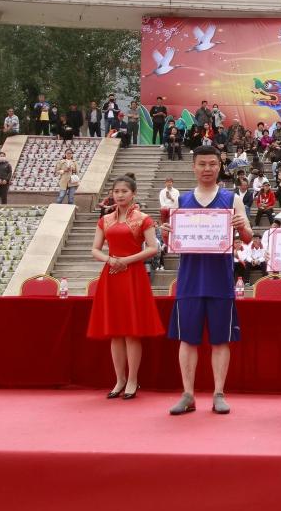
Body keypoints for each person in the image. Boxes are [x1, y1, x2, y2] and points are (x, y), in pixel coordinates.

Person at [164, 145, 254, 416]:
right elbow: (171, 242)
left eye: (212, 164)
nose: (207, 169)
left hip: (220, 280)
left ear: (219, 166)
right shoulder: (181, 201)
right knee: (187, 339)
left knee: (220, 339)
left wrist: (241, 226)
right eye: (202, 164)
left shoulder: (231, 199)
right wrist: (166, 232)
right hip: (189, 280)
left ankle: (219, 393)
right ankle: (188, 394)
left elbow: (248, 237)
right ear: (194, 167)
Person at [87, 174, 163, 399]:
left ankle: (132, 380)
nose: (119, 195)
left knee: (132, 332)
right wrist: (110, 260)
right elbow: (95, 249)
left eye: (124, 191)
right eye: (116, 191)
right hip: (111, 274)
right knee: (115, 331)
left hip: (133, 275)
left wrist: (126, 260)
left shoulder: (143, 219)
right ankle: (119, 379)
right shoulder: (105, 220)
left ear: (133, 194)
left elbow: (153, 248)